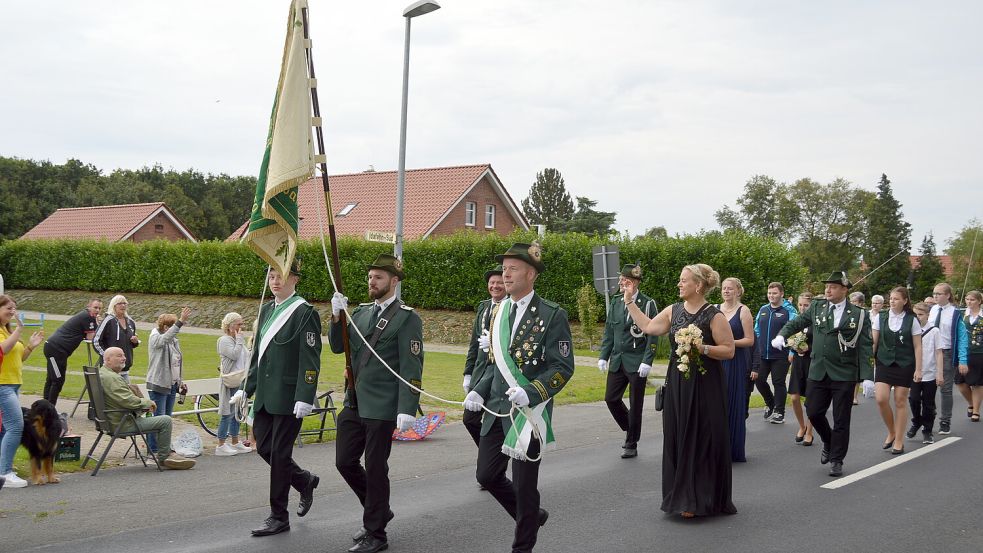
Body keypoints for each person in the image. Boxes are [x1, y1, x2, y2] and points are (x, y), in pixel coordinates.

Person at [463, 242, 575, 550]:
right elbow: (495, 365)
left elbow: (563, 368)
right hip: (496, 411)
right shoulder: (497, 311)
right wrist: (477, 389)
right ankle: (531, 516)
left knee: (525, 486)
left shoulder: (552, 315)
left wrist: (531, 392)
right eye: (503, 269)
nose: (505, 275)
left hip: (529, 414)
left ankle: (522, 544)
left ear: (531, 274)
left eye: (512, 269)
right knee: (486, 475)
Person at [624, 263, 736, 517]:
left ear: (698, 285)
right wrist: (630, 302)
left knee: (701, 437)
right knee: (678, 434)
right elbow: (650, 327)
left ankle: (698, 498)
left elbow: (728, 350)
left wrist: (703, 348)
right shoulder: (673, 311)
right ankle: (680, 495)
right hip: (678, 383)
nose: (679, 284)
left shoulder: (714, 316)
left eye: (683, 280)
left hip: (706, 387)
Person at [329, 254, 423, 553]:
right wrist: (335, 317)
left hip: (383, 406)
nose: (372, 281)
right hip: (355, 401)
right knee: (344, 461)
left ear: (394, 281)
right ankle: (379, 510)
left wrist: (407, 407)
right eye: (370, 276)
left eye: (379, 277)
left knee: (376, 467)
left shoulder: (407, 318)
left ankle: (376, 533)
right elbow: (336, 347)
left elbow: (412, 366)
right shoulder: (359, 313)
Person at [231, 260, 321, 538]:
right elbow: (259, 356)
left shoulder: (304, 312)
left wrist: (305, 395)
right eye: (271, 275)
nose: (275, 280)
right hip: (266, 398)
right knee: (265, 449)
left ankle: (278, 516)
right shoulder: (267, 309)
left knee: (280, 456)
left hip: (290, 397)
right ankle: (304, 480)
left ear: (295, 279)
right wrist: (246, 388)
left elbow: (311, 359)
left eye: (281, 275)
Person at [775, 271, 874, 477]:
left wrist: (867, 377)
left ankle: (837, 459)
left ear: (845, 290)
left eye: (834, 286)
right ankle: (829, 441)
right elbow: (797, 323)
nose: (828, 290)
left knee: (841, 419)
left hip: (845, 372)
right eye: (827, 286)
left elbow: (865, 346)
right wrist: (781, 335)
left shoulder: (858, 314)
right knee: (813, 411)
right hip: (819, 370)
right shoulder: (817, 307)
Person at [99, 347, 195, 470]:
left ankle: (167, 453)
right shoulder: (112, 378)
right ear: (108, 359)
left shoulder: (103, 373)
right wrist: (147, 403)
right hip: (123, 422)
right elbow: (127, 401)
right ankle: (165, 456)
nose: (124, 358)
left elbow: (123, 398)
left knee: (159, 418)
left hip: (112, 420)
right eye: (119, 356)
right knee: (165, 420)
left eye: (123, 355)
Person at [599, 263, 658, 459]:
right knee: (611, 398)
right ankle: (630, 428)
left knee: (636, 403)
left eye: (628, 282)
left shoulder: (648, 303)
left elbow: (653, 334)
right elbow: (609, 331)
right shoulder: (616, 302)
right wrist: (603, 356)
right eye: (622, 281)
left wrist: (647, 360)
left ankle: (631, 442)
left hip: (637, 361)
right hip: (618, 359)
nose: (623, 284)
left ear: (635, 283)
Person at [0, 295, 45, 488]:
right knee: (16, 426)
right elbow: (3, 350)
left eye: (14, 308)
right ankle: (5, 473)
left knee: (4, 429)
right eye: (8, 308)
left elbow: (18, 357)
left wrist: (30, 347)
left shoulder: (6, 330)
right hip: (2, 386)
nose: (12, 312)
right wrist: (19, 329)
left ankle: (2, 468)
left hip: (12, 384)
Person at [871, 287, 922, 454]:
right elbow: (874, 342)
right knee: (881, 399)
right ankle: (891, 431)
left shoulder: (911, 319)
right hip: (884, 362)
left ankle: (899, 440)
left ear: (905, 301)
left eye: (896, 299)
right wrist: (868, 361)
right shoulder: (881, 317)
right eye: (891, 298)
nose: (892, 301)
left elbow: (917, 346)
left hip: (905, 363)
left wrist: (919, 369)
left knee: (900, 401)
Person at [463, 265, 506, 448]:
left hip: (499, 375)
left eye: (499, 282)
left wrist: (494, 344)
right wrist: (467, 374)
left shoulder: (509, 307)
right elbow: (474, 344)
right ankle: (488, 453)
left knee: (495, 422)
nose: (495, 286)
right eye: (492, 282)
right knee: (469, 419)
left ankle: (493, 456)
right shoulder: (484, 307)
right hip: (480, 372)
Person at [145, 308, 192, 454]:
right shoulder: (156, 338)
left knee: (167, 419)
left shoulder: (173, 341)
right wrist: (180, 321)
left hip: (172, 385)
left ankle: (164, 448)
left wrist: (180, 381)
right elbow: (164, 339)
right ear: (165, 327)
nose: (177, 331)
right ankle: (153, 450)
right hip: (159, 384)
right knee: (159, 418)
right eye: (173, 327)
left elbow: (176, 362)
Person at [717, 277, 754, 462]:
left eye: (730, 289)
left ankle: (733, 449)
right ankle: (716, 447)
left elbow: (750, 340)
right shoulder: (715, 309)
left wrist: (729, 343)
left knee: (732, 402)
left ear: (738, 291)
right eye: (724, 288)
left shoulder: (743, 311)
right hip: (717, 361)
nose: (726, 291)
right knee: (716, 404)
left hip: (735, 361)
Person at [927, 282, 970, 434]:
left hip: (946, 353)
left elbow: (962, 337)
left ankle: (945, 420)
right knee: (927, 388)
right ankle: (928, 419)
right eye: (934, 293)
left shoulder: (955, 313)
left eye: (938, 294)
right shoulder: (931, 311)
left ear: (947, 295)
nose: (935, 296)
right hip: (930, 352)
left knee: (945, 388)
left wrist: (962, 360)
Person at [42, 298, 102, 406]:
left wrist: (97, 323)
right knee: (57, 380)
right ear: (89, 306)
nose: (97, 310)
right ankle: (49, 409)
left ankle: (46, 408)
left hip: (56, 350)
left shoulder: (88, 317)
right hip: (56, 349)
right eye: (95, 307)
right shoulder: (87, 317)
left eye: (99, 308)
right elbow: (91, 336)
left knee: (52, 379)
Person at [753, 282, 797, 424]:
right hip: (762, 354)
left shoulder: (789, 311)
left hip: (780, 354)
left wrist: (791, 351)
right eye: (769, 293)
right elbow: (757, 330)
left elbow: (794, 332)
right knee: (759, 380)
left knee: (778, 382)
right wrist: (757, 347)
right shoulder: (763, 309)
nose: (771, 296)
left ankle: (779, 412)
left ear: (781, 294)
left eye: (775, 293)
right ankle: (770, 403)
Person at [908, 302, 944, 444]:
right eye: (915, 314)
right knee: (914, 399)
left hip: (930, 372)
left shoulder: (934, 331)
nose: (918, 317)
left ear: (928, 315)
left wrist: (939, 373)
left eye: (921, 314)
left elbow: (939, 353)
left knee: (928, 403)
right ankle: (916, 421)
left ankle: (927, 430)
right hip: (915, 373)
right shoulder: (910, 330)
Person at [216, 312, 251, 456]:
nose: (241, 327)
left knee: (237, 411)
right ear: (230, 326)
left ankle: (235, 441)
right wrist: (240, 340)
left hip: (240, 379)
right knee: (227, 413)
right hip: (230, 380)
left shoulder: (237, 339)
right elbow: (234, 354)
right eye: (238, 324)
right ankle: (221, 444)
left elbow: (245, 355)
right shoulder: (224, 340)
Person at [788, 292, 815, 446]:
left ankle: (810, 432)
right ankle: (801, 426)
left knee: (811, 400)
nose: (802, 308)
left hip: (812, 361)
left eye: (806, 305)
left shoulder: (816, 321)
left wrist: (807, 348)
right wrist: (793, 349)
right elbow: (789, 337)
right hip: (798, 361)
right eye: (800, 305)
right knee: (794, 397)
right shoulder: (796, 320)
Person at [93, 295, 140, 383]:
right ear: (114, 306)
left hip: (125, 368)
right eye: (119, 303)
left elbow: (131, 343)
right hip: (110, 371)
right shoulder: (108, 320)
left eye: (124, 303)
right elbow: (96, 341)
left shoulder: (130, 322)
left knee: (126, 395)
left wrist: (135, 342)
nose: (123, 305)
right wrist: (107, 356)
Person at [957, 290, 983, 422]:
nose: (969, 302)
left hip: (979, 352)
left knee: (978, 383)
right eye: (967, 299)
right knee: (960, 382)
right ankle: (971, 403)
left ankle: (976, 411)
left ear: (979, 301)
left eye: (972, 299)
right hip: (964, 352)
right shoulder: (962, 315)